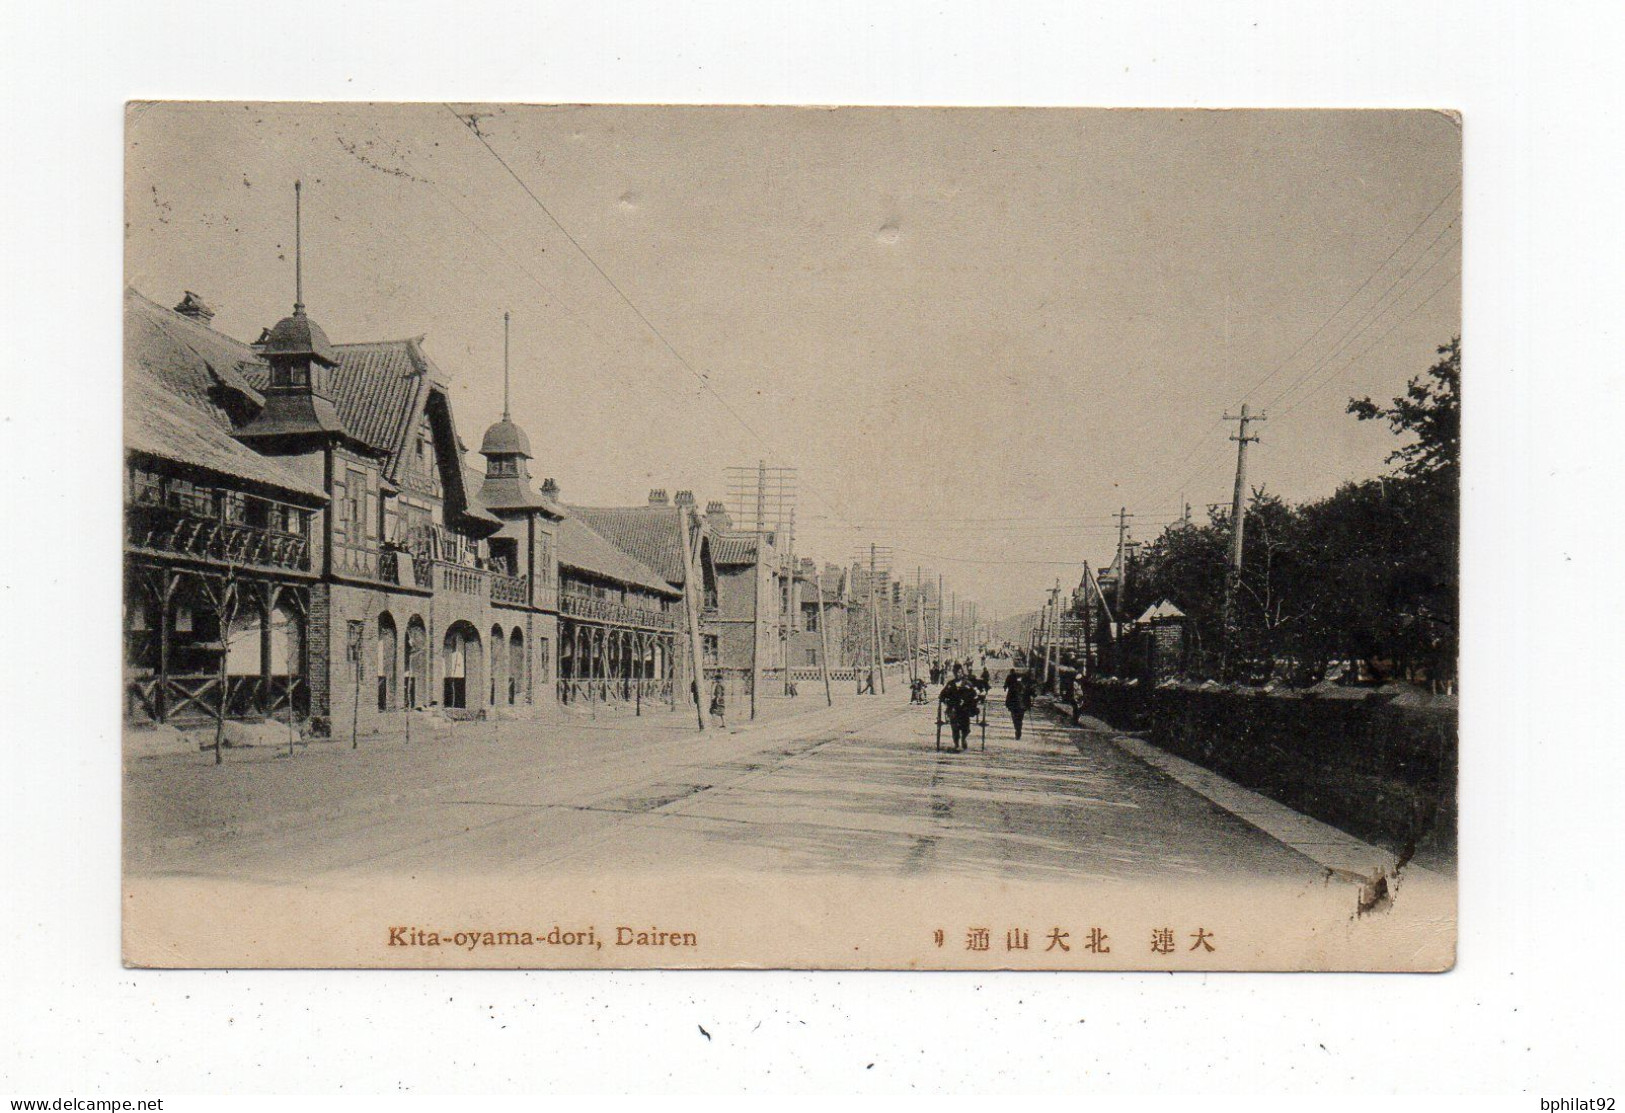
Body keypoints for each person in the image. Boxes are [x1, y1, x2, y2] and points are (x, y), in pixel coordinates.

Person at [938, 665, 979, 752]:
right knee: (955, 727)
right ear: (954, 673)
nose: (958, 674)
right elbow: (942, 695)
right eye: (956, 672)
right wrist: (945, 701)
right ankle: (956, 744)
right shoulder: (950, 684)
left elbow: (975, 694)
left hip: (965, 709)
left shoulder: (967, 683)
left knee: (965, 728)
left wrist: (971, 700)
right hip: (953, 708)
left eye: (959, 672)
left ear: (962, 673)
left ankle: (963, 738)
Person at [1004, 667, 1032, 740]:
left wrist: (1007, 704)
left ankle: (1018, 730)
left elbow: (1008, 697)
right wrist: (1028, 706)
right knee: (1020, 719)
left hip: (1014, 707)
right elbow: (1028, 698)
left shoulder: (1013, 687)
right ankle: (1018, 730)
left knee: (1015, 719)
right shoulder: (1024, 688)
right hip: (1021, 707)